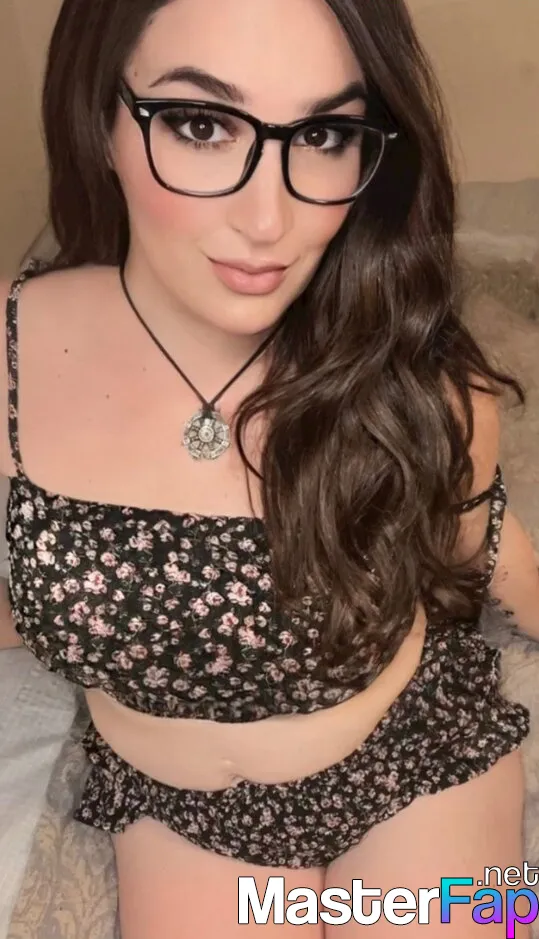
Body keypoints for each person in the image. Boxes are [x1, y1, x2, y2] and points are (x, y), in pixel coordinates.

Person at [0, 0, 537, 935]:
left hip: (416, 754)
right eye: (200, 125)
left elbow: (481, 545)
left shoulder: (424, 377)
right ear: (99, 116)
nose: (269, 219)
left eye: (324, 135)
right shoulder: (11, 350)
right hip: (180, 811)